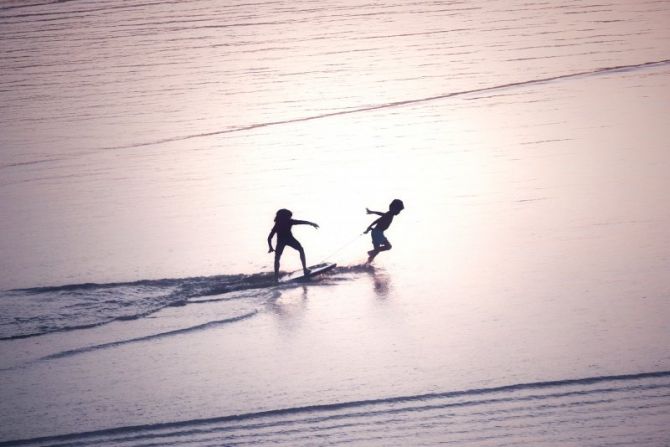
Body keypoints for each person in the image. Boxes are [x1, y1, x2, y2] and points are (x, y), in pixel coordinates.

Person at [268, 209, 319, 282]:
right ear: (284, 216)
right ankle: (305, 269)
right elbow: (301, 222)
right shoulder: (289, 221)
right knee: (301, 249)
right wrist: (312, 224)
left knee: (277, 259)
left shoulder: (278, 224)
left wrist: (270, 247)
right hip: (289, 239)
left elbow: (269, 237)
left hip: (281, 241)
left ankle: (276, 278)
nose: (290, 217)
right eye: (289, 216)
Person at [364, 199, 404, 263]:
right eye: (398, 210)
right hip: (377, 233)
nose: (399, 212)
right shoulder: (389, 214)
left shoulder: (389, 214)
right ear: (393, 208)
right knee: (388, 246)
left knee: (376, 252)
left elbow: (378, 219)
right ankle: (372, 253)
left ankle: (367, 264)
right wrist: (369, 227)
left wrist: (369, 228)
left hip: (377, 232)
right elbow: (378, 219)